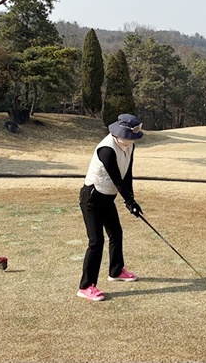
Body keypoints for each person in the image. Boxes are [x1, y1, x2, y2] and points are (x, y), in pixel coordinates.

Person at [77, 113, 145, 301]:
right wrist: (129, 202)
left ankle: (116, 270)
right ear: (121, 133)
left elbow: (127, 174)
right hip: (92, 197)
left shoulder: (130, 145)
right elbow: (117, 179)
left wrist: (131, 199)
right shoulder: (106, 150)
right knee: (96, 242)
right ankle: (86, 286)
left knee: (116, 233)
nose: (133, 139)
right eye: (132, 135)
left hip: (108, 197)